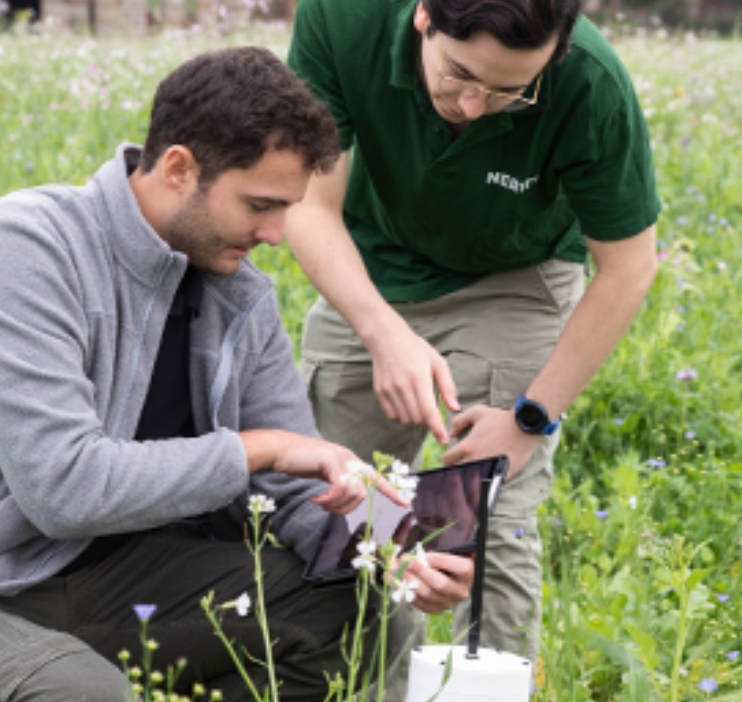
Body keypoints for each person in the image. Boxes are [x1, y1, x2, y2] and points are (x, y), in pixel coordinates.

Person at [0, 47, 473, 702]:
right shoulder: (23, 247)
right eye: (260, 204)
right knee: (82, 695)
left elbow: (295, 489)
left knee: (366, 613)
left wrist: (392, 549)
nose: (277, 234)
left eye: (288, 209)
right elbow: (64, 489)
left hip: (130, 583)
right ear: (180, 168)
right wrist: (261, 448)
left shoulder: (241, 297)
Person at [286, 0, 660, 672]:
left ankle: (482, 688)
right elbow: (309, 204)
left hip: (513, 275)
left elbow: (629, 267)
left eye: (508, 91)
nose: (474, 105)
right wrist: (381, 332)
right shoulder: (344, 18)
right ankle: (361, 680)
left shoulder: (589, 82)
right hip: (370, 270)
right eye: (458, 75)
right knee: (343, 496)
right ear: (425, 16)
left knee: (487, 503)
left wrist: (531, 418)